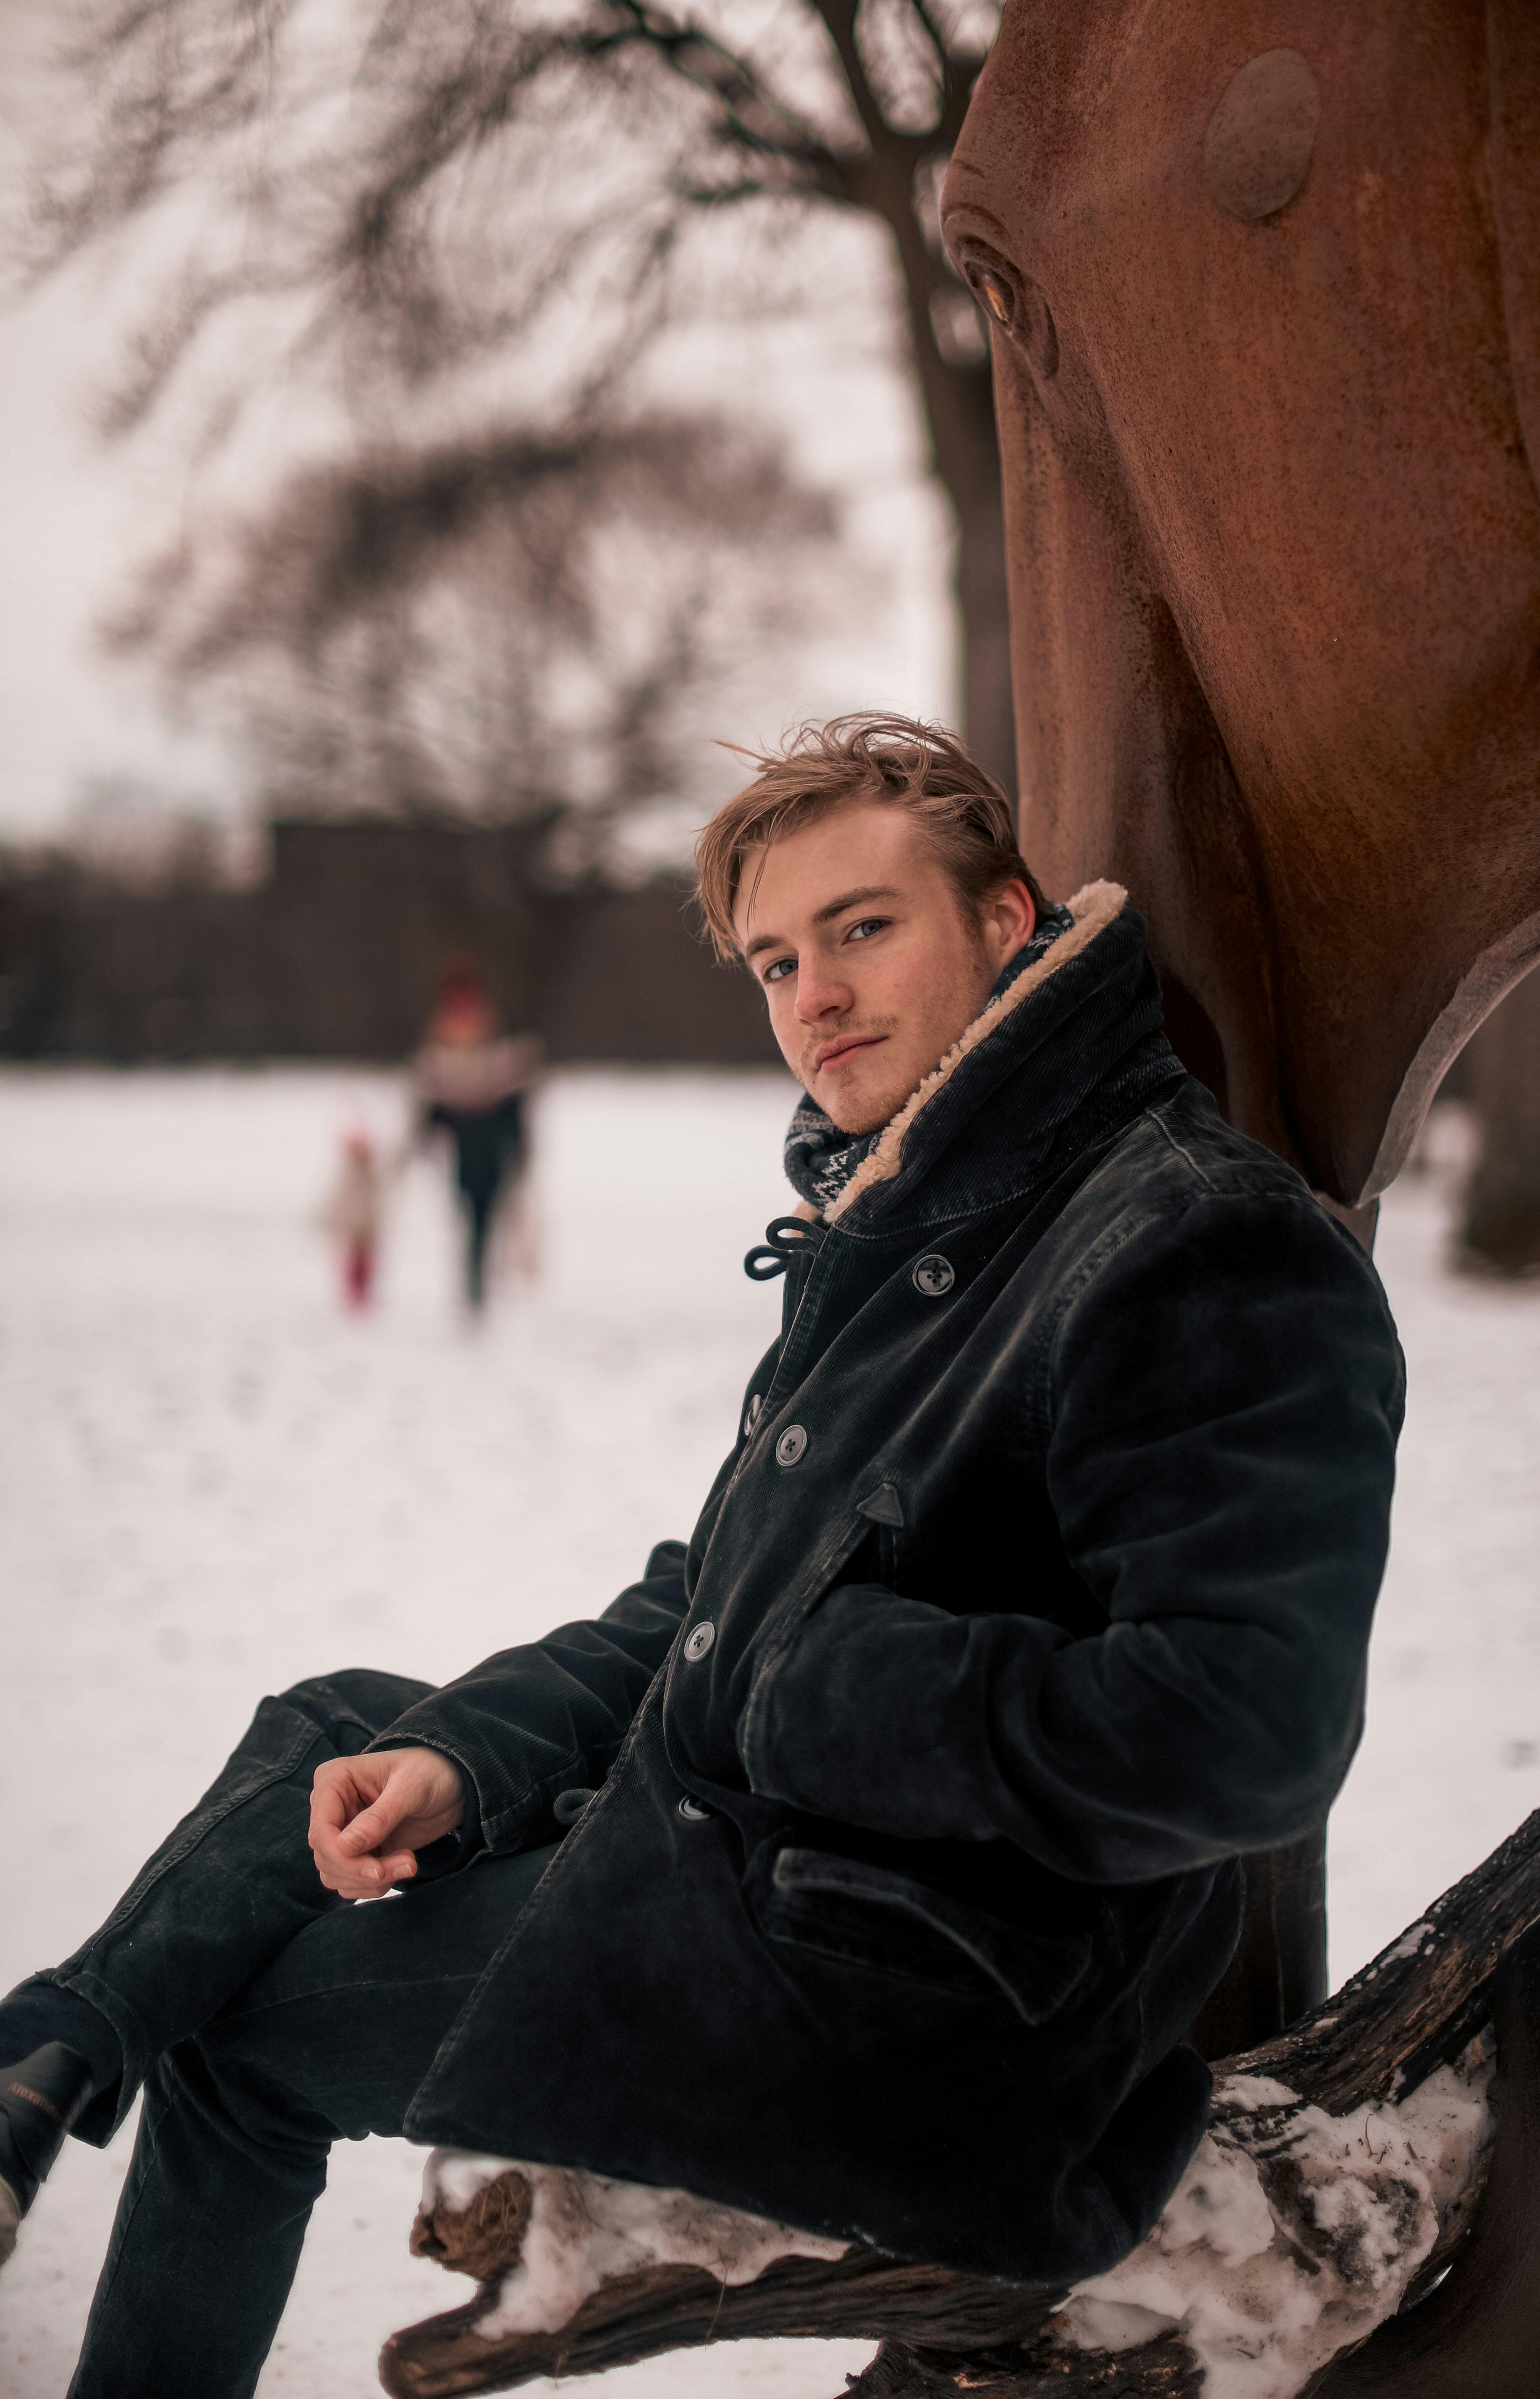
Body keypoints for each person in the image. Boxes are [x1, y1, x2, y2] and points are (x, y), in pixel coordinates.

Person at [0, 716, 1403, 2396]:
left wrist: (820, 1681)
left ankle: (57, 2073)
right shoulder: (927, 1223)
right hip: (778, 1889)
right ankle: (50, 2051)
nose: (814, 994)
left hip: (921, 2021)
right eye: (774, 960)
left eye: (865, 927)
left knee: (244, 2033)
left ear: (1008, 924)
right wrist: (462, 1761)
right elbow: (703, 1616)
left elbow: (1248, 1732)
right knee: (346, 1726)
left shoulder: (1190, 1235)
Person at [411, 967, 542, 1309]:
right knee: (470, 1212)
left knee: (483, 1215)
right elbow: (434, 1105)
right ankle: (475, 1277)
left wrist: (518, 1142)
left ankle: (477, 1279)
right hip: (465, 1149)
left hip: (491, 1147)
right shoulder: (441, 1050)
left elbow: (513, 1103)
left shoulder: (498, 1048)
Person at [316, 1130, 385, 1309]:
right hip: (352, 1230)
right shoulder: (346, 1177)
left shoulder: (374, 1174)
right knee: (352, 1266)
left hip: (369, 1229)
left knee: (366, 1267)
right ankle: (353, 1298)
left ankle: (364, 1297)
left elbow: (382, 1198)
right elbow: (334, 1201)